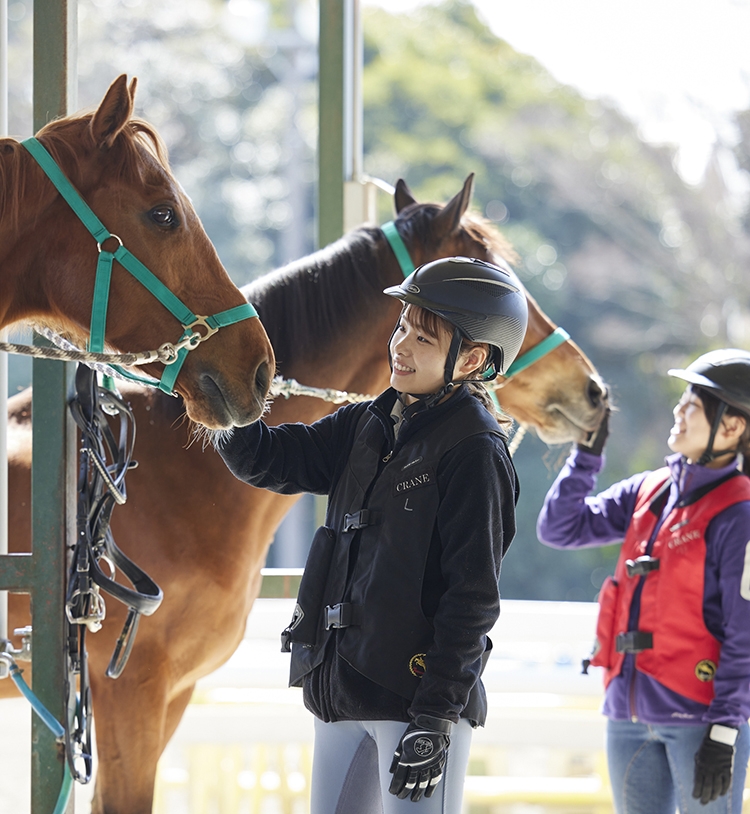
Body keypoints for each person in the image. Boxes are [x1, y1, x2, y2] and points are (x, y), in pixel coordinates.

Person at [214, 256, 528, 813]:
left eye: (423, 338)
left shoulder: (477, 452)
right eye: (401, 326)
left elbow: (473, 600)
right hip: (338, 689)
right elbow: (271, 459)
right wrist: (229, 405)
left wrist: (435, 718)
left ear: (473, 358)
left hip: (415, 706)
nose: (401, 346)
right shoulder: (367, 422)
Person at [536, 349, 750, 814]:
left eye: (693, 405)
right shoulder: (648, 490)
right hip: (628, 715)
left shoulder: (741, 515)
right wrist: (586, 456)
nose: (679, 410)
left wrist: (725, 729)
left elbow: (745, 633)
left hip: (699, 719)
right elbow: (559, 527)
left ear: (731, 427)